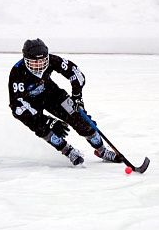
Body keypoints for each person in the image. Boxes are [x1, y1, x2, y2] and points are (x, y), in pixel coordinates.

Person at [8, 38, 123, 166]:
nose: (40, 65)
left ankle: (102, 150)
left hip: (51, 94)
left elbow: (76, 74)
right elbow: (17, 106)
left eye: (42, 61)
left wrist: (77, 96)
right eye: (35, 62)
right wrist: (47, 121)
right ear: (26, 60)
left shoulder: (52, 60)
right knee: (43, 128)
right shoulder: (17, 72)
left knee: (80, 119)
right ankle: (67, 151)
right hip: (28, 106)